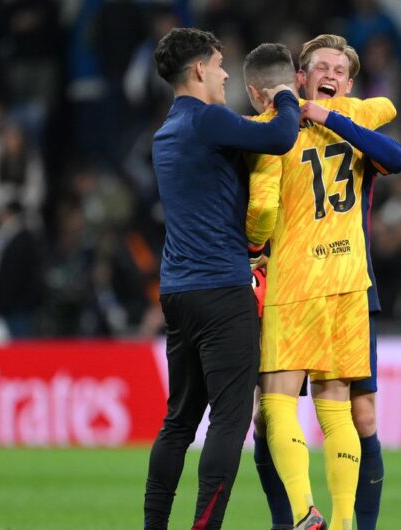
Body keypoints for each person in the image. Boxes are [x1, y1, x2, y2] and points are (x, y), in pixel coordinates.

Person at [243, 36, 401, 530]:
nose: (330, 73)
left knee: (317, 409)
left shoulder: (282, 129)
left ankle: (312, 518)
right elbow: (389, 108)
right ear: (300, 76)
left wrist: (251, 249)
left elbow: (393, 151)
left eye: (340, 68)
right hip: (342, 279)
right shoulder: (344, 118)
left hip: (312, 281)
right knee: (294, 413)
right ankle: (305, 522)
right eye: (321, 66)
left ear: (348, 82)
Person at [142, 28, 300, 530]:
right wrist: (286, 96)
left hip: (179, 291)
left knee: (178, 422)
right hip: (221, 291)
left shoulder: (166, 131)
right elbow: (279, 136)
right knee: (230, 421)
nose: (227, 73)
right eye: (220, 64)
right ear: (199, 71)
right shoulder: (208, 120)